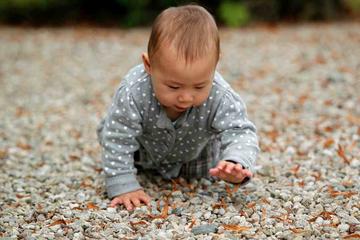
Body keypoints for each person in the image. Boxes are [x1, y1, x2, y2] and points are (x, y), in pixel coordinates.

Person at [97, 4, 259, 211]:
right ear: (149, 65)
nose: (185, 97)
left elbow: (241, 131)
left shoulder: (220, 94)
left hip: (195, 162)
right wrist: (122, 184)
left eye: (200, 86)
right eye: (173, 86)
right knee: (111, 128)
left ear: (215, 66)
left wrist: (236, 162)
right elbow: (118, 137)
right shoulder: (133, 92)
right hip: (142, 156)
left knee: (219, 159)